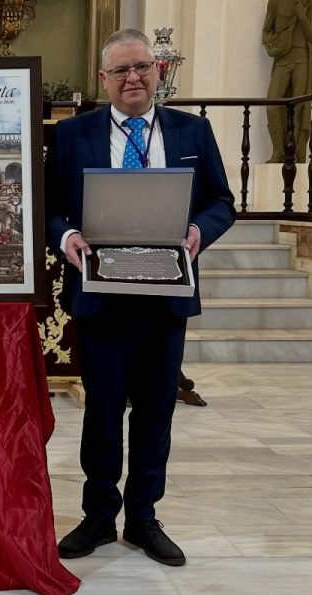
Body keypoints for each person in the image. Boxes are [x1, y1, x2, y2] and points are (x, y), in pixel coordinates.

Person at [46, 28, 235, 567]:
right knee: (102, 409)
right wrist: (66, 237)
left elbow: (222, 201)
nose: (133, 77)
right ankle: (99, 516)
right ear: (103, 80)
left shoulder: (192, 132)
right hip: (101, 293)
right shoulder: (73, 135)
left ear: (158, 71)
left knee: (155, 410)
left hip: (165, 293)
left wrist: (201, 230)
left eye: (142, 67)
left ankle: (145, 518)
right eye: (121, 70)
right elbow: (49, 207)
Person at [262, 0, 312, 162]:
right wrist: (271, 45)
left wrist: (302, 16)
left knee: (299, 106)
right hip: (284, 57)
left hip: (301, 56)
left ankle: (295, 152)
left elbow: (311, 36)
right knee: (273, 103)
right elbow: (267, 29)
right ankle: (277, 149)